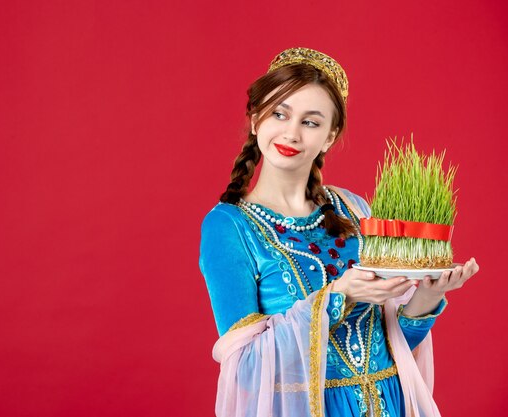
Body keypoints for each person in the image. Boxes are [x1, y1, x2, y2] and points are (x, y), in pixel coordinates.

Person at [198, 47, 479, 417]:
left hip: (389, 402)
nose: (291, 133)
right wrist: (336, 297)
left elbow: (393, 343)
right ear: (255, 120)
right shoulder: (228, 227)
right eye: (279, 114)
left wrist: (428, 297)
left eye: (311, 122)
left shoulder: (355, 210)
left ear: (329, 137)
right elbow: (247, 368)